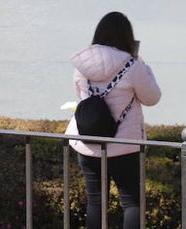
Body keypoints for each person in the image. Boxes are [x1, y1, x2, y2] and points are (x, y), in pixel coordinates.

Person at [67, 12, 161, 229]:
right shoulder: (132, 65)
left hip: (88, 143)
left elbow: (81, 96)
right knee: (131, 202)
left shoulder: (82, 65)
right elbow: (152, 98)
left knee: (95, 202)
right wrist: (145, 68)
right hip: (124, 146)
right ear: (127, 36)